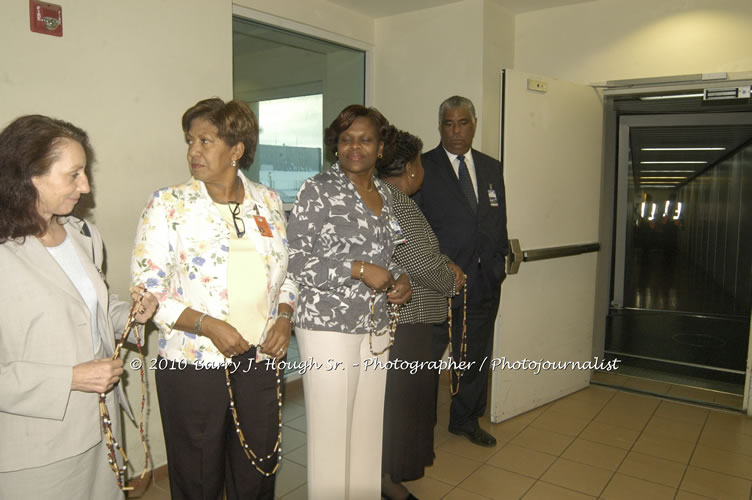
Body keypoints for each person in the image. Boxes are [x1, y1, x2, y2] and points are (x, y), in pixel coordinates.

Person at [131, 98, 297, 500]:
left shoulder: (269, 203)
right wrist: (209, 325)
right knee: (198, 476)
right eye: (190, 140)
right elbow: (147, 290)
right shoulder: (169, 205)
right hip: (194, 364)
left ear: (237, 149)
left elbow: (287, 276)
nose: (193, 151)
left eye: (205, 140)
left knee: (257, 470)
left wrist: (285, 316)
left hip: (260, 358)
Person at [0, 114, 158, 499]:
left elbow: (96, 308)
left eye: (84, 173)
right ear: (28, 176)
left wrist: (132, 314)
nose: (85, 187)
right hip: (37, 448)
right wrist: (70, 378)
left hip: (100, 430)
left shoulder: (82, 235)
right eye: (73, 175)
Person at [286, 104, 412, 499]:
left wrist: (401, 279)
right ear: (335, 146)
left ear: (380, 148)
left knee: (367, 429)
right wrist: (356, 269)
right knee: (331, 433)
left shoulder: (384, 195)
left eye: (365, 139)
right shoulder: (318, 189)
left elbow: (387, 257)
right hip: (327, 326)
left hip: (375, 324)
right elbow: (295, 260)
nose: (355, 147)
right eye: (346, 139)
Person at [376, 128, 466, 500]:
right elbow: (417, 260)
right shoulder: (397, 202)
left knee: (403, 402)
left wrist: (445, 263)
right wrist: (451, 279)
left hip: (406, 320)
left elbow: (418, 254)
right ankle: (387, 481)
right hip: (409, 322)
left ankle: (387, 475)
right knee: (403, 405)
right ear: (412, 169)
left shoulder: (386, 198)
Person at [414, 95, 509, 447]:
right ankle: (416, 425)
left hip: (483, 282)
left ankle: (466, 420)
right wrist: (437, 265)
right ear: (440, 127)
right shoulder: (422, 167)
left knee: (475, 356)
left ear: (474, 124)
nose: (455, 131)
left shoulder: (491, 167)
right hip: (439, 284)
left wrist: (498, 263)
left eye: (462, 122)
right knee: (424, 360)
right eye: (448, 124)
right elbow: (414, 228)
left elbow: (497, 219)